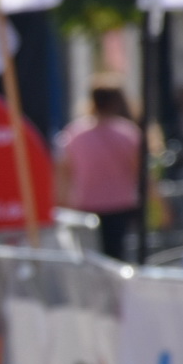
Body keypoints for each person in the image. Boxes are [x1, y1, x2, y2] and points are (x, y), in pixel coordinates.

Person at [54, 78, 142, 262]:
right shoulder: (127, 133)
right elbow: (140, 173)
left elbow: (63, 172)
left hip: (86, 206)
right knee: (118, 258)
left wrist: (62, 204)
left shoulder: (75, 133)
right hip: (120, 205)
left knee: (90, 261)